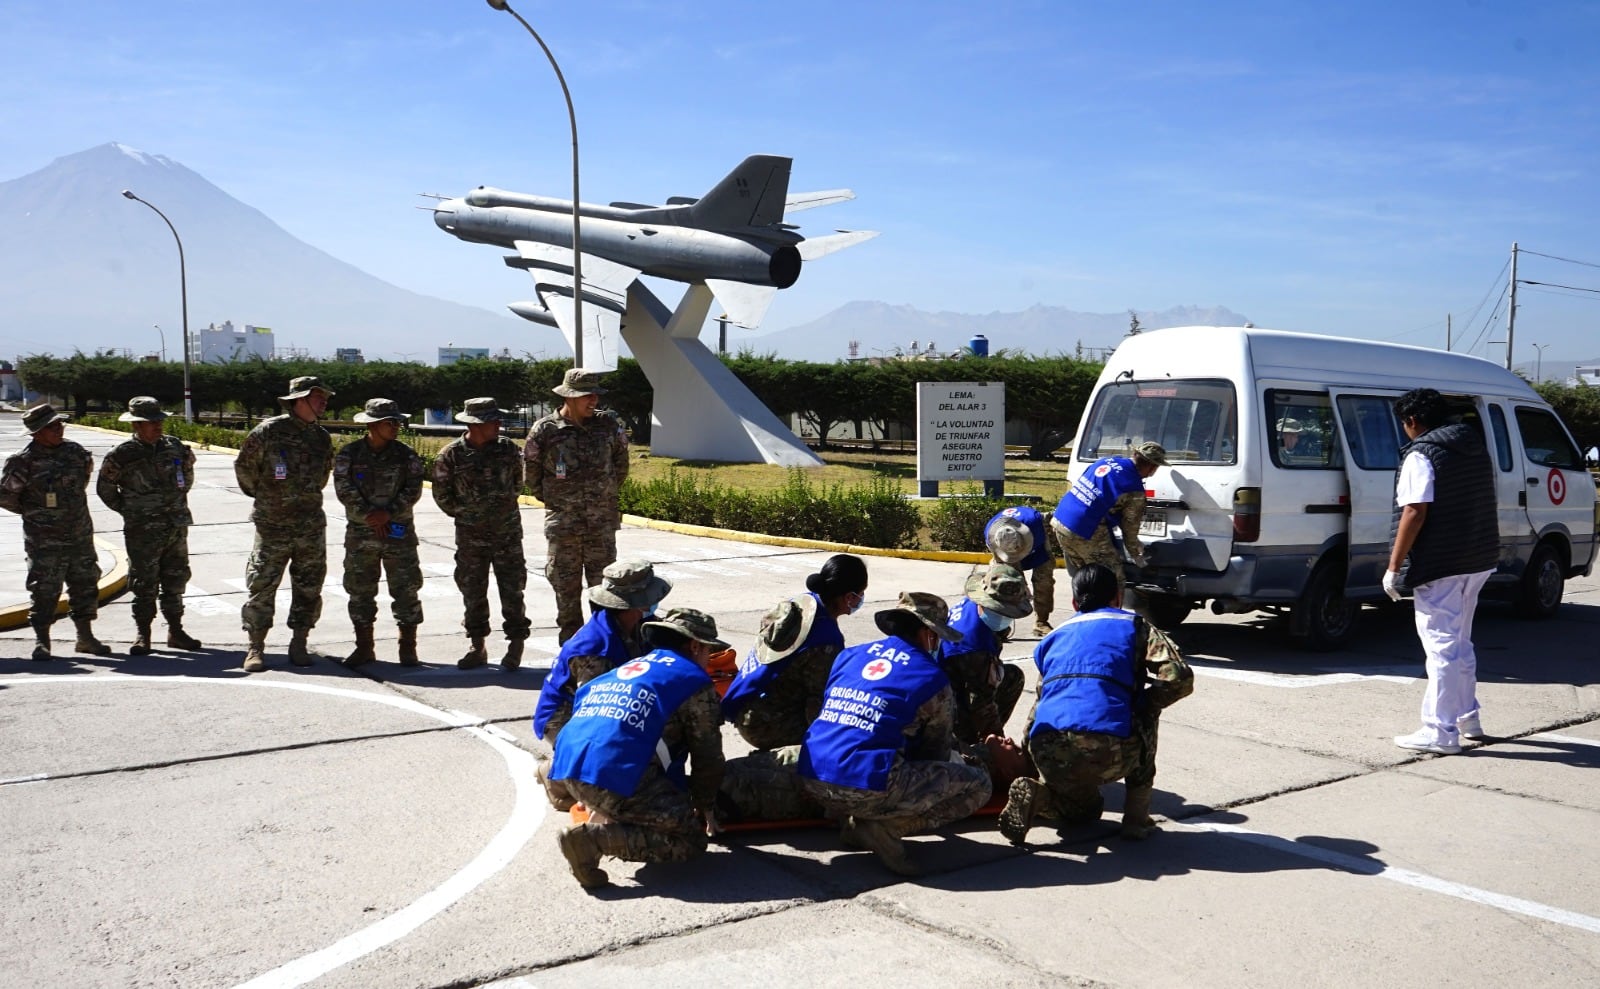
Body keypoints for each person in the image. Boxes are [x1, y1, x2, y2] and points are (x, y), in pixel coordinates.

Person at [797, 592, 993, 876]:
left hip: (811, 777)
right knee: (978, 785)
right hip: (864, 785)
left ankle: (853, 819)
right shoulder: (930, 678)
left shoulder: (849, 656)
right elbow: (933, 752)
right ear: (928, 634)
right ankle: (886, 828)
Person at [999, 564, 1193, 845]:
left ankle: (1041, 797)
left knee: (1084, 810)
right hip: (1111, 749)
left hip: (1048, 748)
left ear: (1075, 603)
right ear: (1117, 597)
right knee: (1144, 709)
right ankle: (1136, 820)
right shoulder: (1135, 626)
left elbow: (1040, 703)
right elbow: (1179, 678)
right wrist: (1145, 705)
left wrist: (1032, 759)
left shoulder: (1053, 638)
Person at [551, 608, 728, 890]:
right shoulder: (691, 681)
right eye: (708, 652)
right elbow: (707, 755)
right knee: (690, 840)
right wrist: (705, 806)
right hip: (610, 777)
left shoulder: (636, 666)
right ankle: (591, 841)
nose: (708, 660)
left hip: (569, 764)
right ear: (695, 646)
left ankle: (567, 790)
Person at [1385, 387, 1498, 755]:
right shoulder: (1473, 445)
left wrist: (1394, 566)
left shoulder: (1421, 454)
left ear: (1413, 421)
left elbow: (1415, 511)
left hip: (1441, 562)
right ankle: (1468, 717)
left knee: (1441, 647)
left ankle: (1439, 731)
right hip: (1477, 556)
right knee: (1460, 641)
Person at [533, 558, 672, 809]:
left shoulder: (639, 625)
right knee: (613, 757)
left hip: (610, 703)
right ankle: (557, 776)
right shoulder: (595, 649)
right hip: (566, 714)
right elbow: (596, 713)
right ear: (634, 604)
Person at [234, 376, 336, 672]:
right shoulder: (268, 432)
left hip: (310, 525)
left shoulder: (321, 437)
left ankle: (300, 641)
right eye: (318, 397)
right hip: (272, 525)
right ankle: (256, 646)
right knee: (262, 585)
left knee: (309, 586)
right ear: (299, 400)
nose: (324, 402)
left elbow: (322, 478)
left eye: (324, 397)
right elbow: (245, 470)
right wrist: (268, 498)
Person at [524, 368, 630, 644]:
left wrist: (600, 496)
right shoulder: (545, 430)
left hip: (600, 526)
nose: (593, 400)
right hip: (564, 527)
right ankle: (571, 648)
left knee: (605, 590)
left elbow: (621, 466)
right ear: (569, 397)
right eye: (586, 395)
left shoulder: (607, 426)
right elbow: (532, 476)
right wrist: (560, 501)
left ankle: (604, 645)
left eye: (595, 394)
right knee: (565, 589)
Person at [720, 553, 868, 750]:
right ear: (849, 597)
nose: (860, 600)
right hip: (764, 724)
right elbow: (819, 700)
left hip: (745, 702)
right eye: (860, 594)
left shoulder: (801, 604)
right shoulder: (826, 639)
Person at [1, 404, 111, 659]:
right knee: (44, 588)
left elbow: (82, 482)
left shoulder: (76, 453)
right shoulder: (22, 461)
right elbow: (6, 497)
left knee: (85, 584)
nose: (59, 429)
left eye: (60, 424)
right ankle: (42, 641)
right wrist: (38, 514)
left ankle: (85, 637)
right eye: (52, 426)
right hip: (44, 538)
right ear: (37, 432)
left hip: (79, 533)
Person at [96, 396, 201, 655]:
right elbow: (105, 490)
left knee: (176, 579)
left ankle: (175, 631)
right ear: (136, 426)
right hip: (142, 530)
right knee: (144, 582)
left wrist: (175, 500)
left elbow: (186, 477)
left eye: (159, 420)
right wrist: (131, 509)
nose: (157, 425)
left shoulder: (175, 447)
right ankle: (143, 633)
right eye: (150, 422)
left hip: (175, 525)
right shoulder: (122, 455)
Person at [431, 397, 531, 670]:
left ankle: (516, 644)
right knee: (472, 590)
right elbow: (442, 495)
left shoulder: (509, 450)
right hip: (470, 537)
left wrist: (497, 512)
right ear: (476, 425)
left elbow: (517, 486)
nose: (499, 424)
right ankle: (477, 646)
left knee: (512, 589)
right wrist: (469, 514)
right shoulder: (451, 455)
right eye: (492, 420)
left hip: (507, 534)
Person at [334, 398, 426, 669]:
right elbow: (344, 489)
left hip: (398, 533)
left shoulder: (406, 454)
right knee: (360, 590)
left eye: (398, 422)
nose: (397, 427)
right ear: (373, 424)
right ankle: (364, 647)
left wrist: (389, 512)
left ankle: (407, 647)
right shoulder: (349, 454)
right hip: (362, 533)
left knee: (407, 589)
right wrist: (369, 515)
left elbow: (413, 489)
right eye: (391, 422)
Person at [1051, 441, 1166, 601]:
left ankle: (1085, 616)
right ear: (1153, 467)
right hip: (1085, 530)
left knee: (1086, 579)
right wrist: (1136, 554)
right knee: (1112, 579)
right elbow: (1129, 528)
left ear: (1134, 455)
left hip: (1061, 521)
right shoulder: (1134, 489)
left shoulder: (1106, 461)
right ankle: (1111, 619)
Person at [940, 563, 1034, 744]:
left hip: (957, 679)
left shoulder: (972, 604)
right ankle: (971, 745)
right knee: (975, 740)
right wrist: (999, 745)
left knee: (1012, 677)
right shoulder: (975, 645)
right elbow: (981, 704)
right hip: (944, 699)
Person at [985, 505, 1058, 637]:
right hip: (1006, 552)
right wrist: (1021, 584)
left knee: (1044, 581)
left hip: (1037, 545)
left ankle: (1041, 623)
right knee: (1002, 584)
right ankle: (998, 625)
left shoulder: (1035, 521)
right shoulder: (991, 537)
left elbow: (1055, 520)